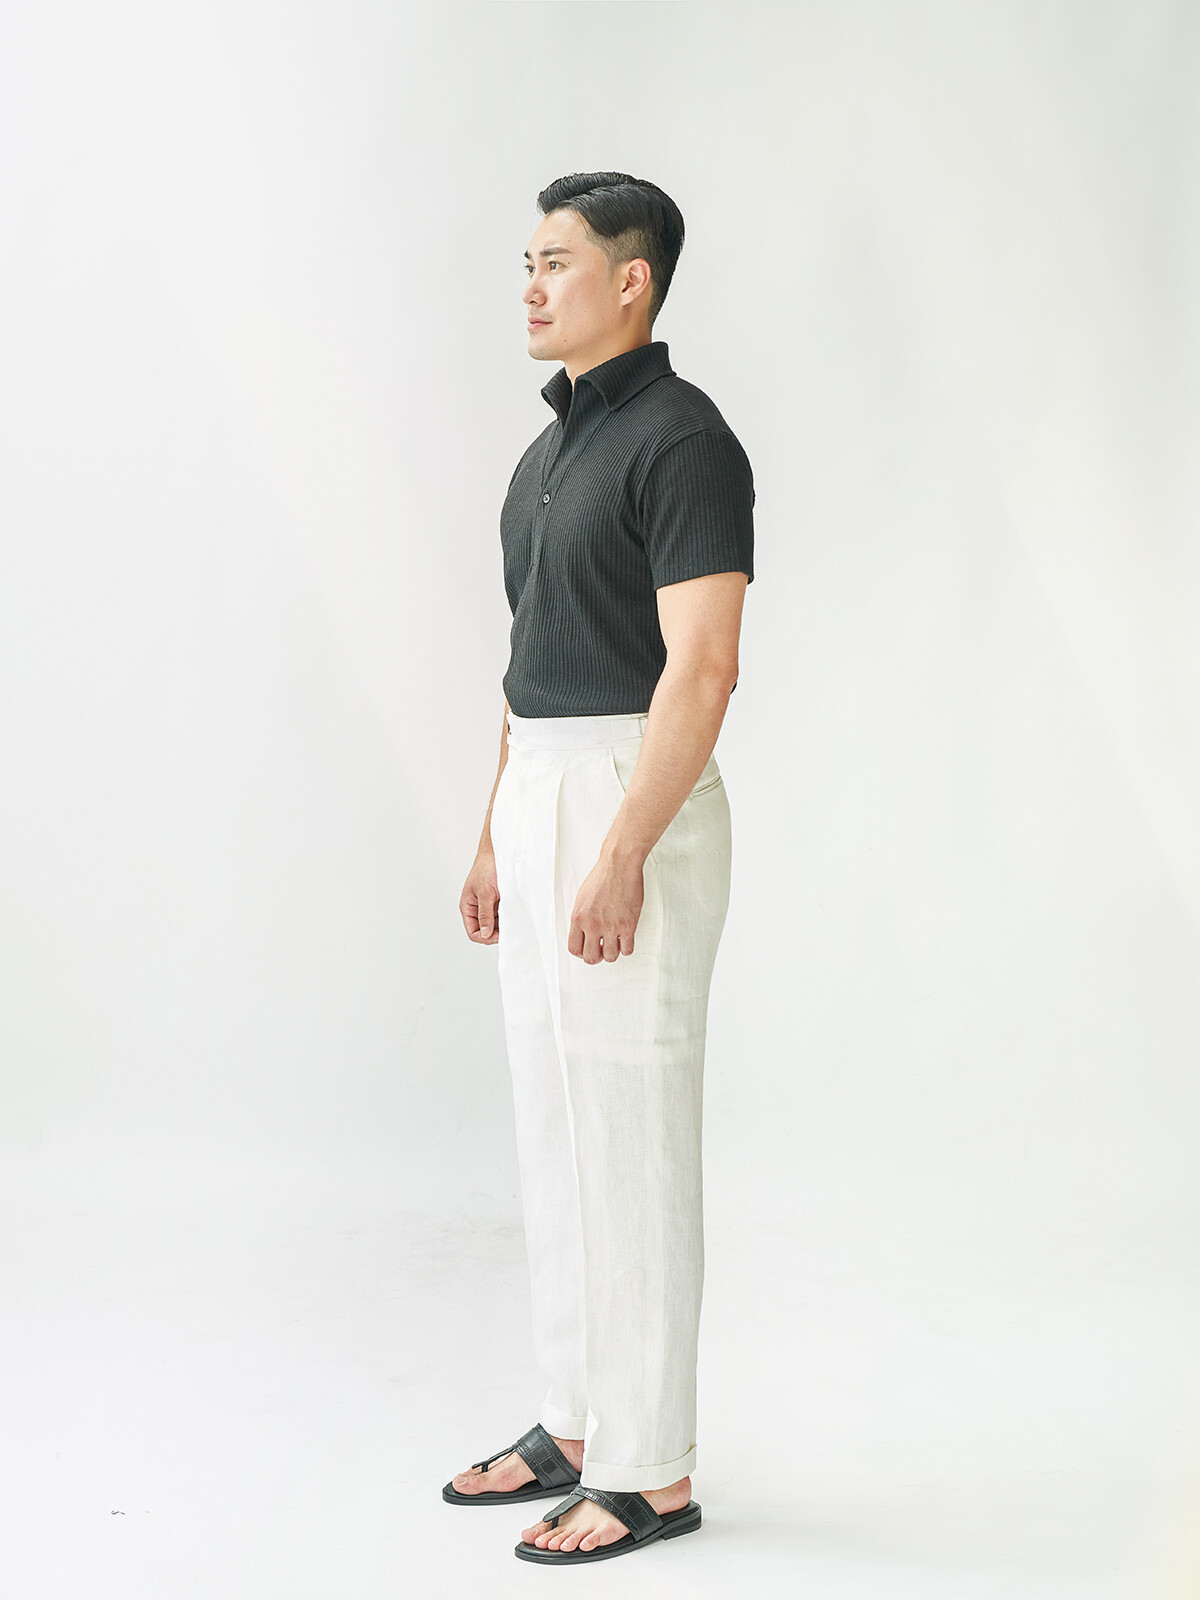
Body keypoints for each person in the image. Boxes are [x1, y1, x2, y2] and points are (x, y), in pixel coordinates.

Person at [447, 171, 755, 1566]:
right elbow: (530, 664)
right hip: (541, 789)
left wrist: (624, 845)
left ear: (632, 281)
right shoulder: (546, 456)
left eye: (555, 262)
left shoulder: (685, 442)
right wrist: (492, 832)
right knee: (554, 1127)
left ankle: (652, 1470)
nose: (530, 285)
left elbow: (704, 666)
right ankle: (577, 1423)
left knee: (629, 1139)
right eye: (526, 261)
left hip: (636, 792)